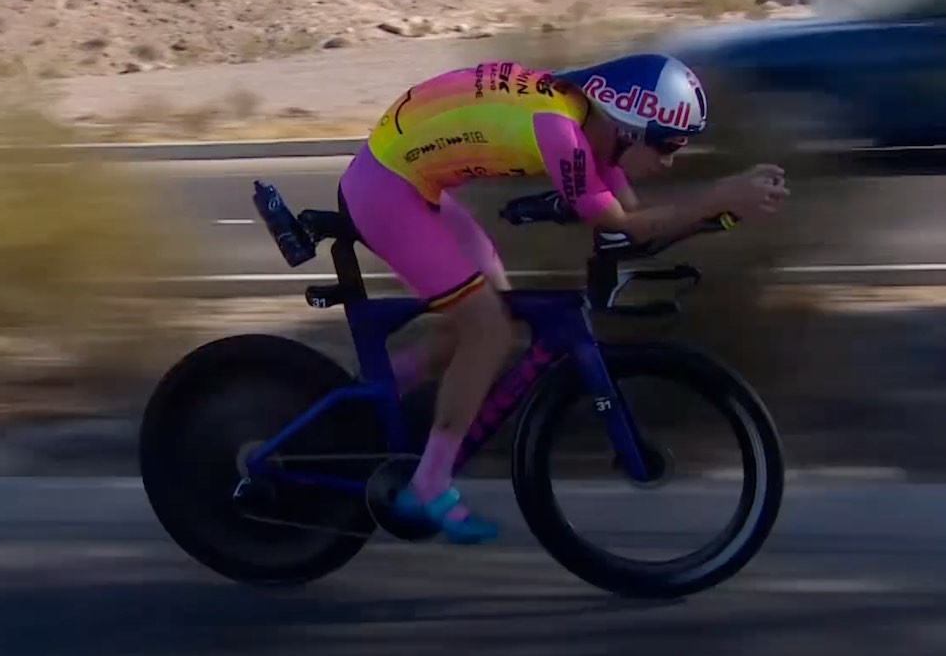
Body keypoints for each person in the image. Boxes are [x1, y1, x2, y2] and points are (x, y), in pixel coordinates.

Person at [336, 53, 790, 545]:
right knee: (488, 329)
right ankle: (428, 483)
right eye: (668, 143)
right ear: (629, 126)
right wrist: (719, 194)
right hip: (386, 190)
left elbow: (636, 231)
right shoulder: (562, 133)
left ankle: (359, 409)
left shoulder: (592, 132)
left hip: (410, 184)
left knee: (483, 317)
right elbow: (618, 223)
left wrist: (724, 215)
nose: (670, 160)